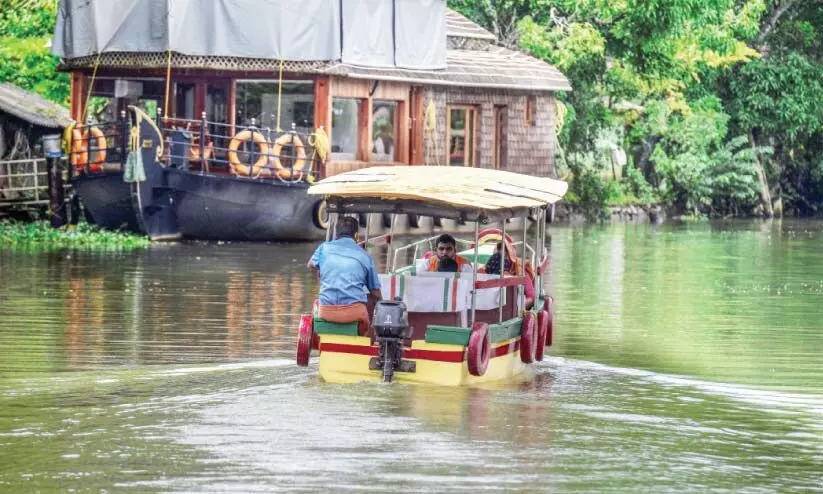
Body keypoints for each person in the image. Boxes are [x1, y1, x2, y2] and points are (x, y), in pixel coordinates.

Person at [307, 216, 382, 335]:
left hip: (326, 312)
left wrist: (322, 270)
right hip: (354, 314)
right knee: (373, 299)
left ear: (337, 234)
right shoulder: (365, 256)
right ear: (356, 236)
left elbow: (311, 265)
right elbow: (375, 292)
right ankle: (368, 338)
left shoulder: (324, 247)